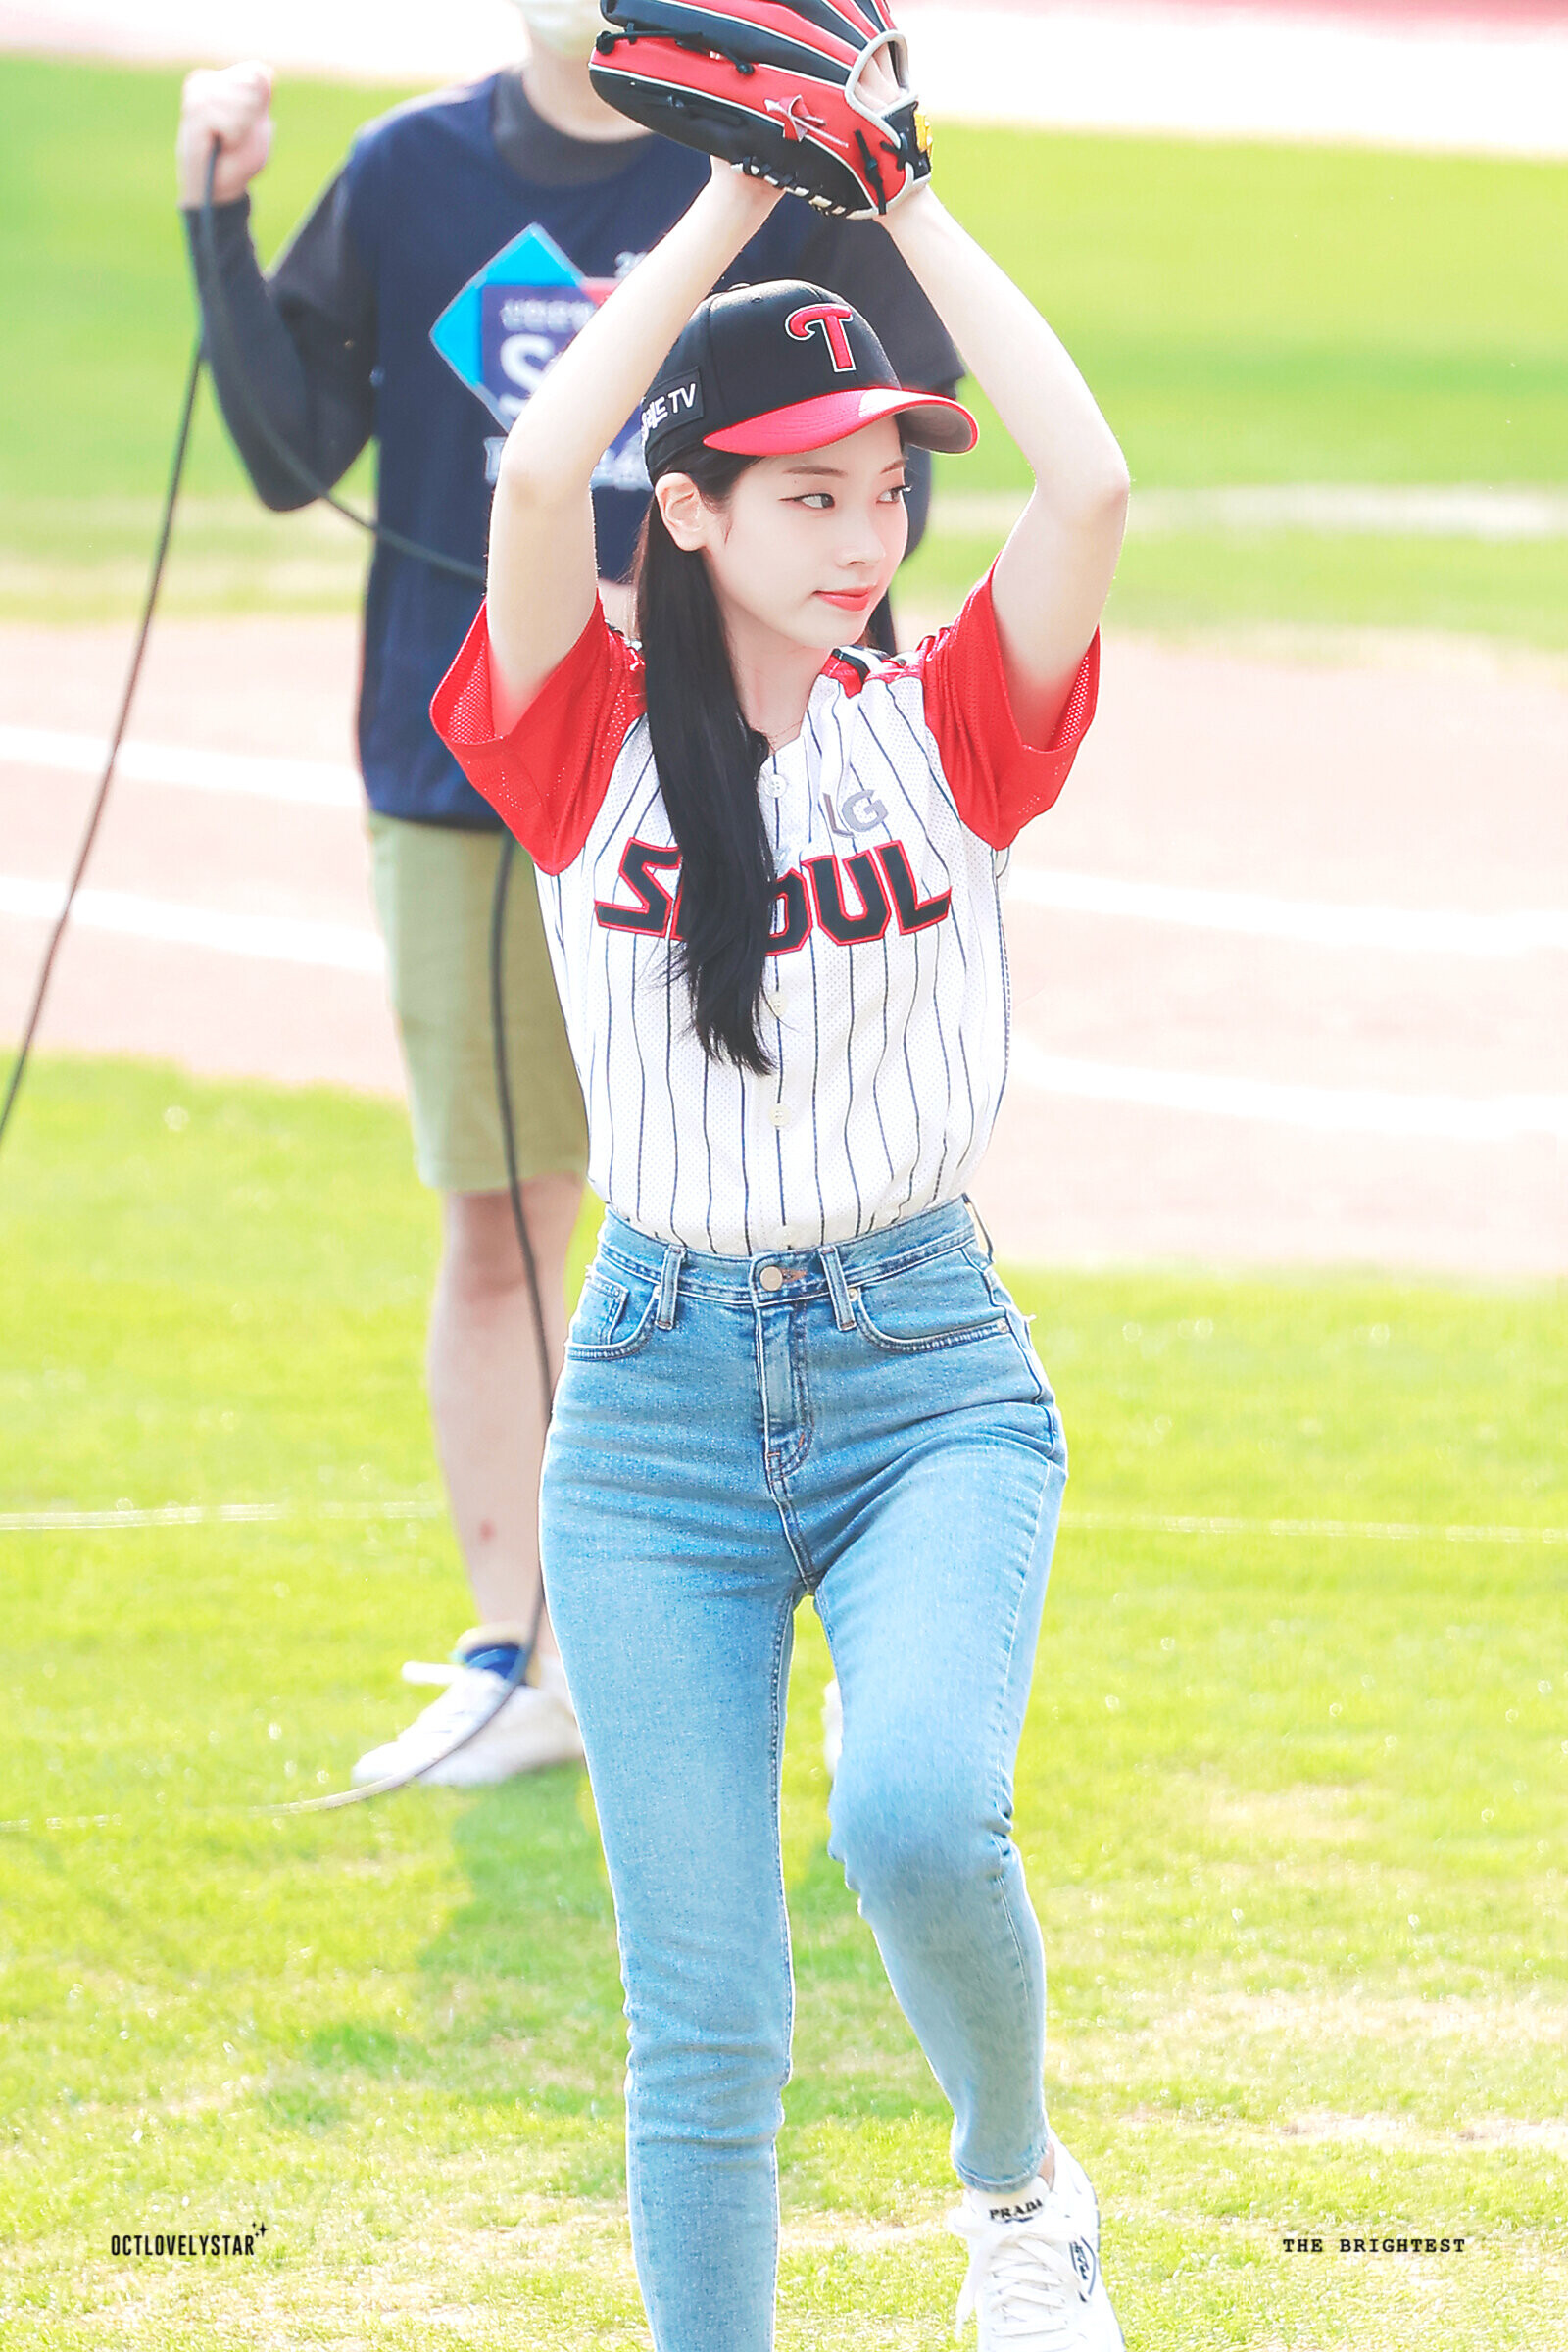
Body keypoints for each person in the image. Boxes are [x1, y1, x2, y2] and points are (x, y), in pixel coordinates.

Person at [429, 42, 1131, 2349]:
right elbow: (542, 459)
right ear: (702, 516)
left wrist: (896, 191)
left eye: (880, 495)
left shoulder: (943, 723)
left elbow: (1091, 478)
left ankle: (1016, 2196)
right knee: (702, 2027)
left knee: (917, 1817)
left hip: (925, 1366)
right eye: (808, 495)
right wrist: (735, 205)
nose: (864, 535)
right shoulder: (576, 733)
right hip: (644, 1411)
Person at [173, 0, 960, 1787]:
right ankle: (518, 1659)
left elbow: (896, 462)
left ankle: (860, 1655)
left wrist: (884, 151)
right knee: (501, 1219)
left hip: (762, 778)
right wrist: (219, 222)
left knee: (812, 1217)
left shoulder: (789, 181)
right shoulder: (412, 171)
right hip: (474, 781)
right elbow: (295, 457)